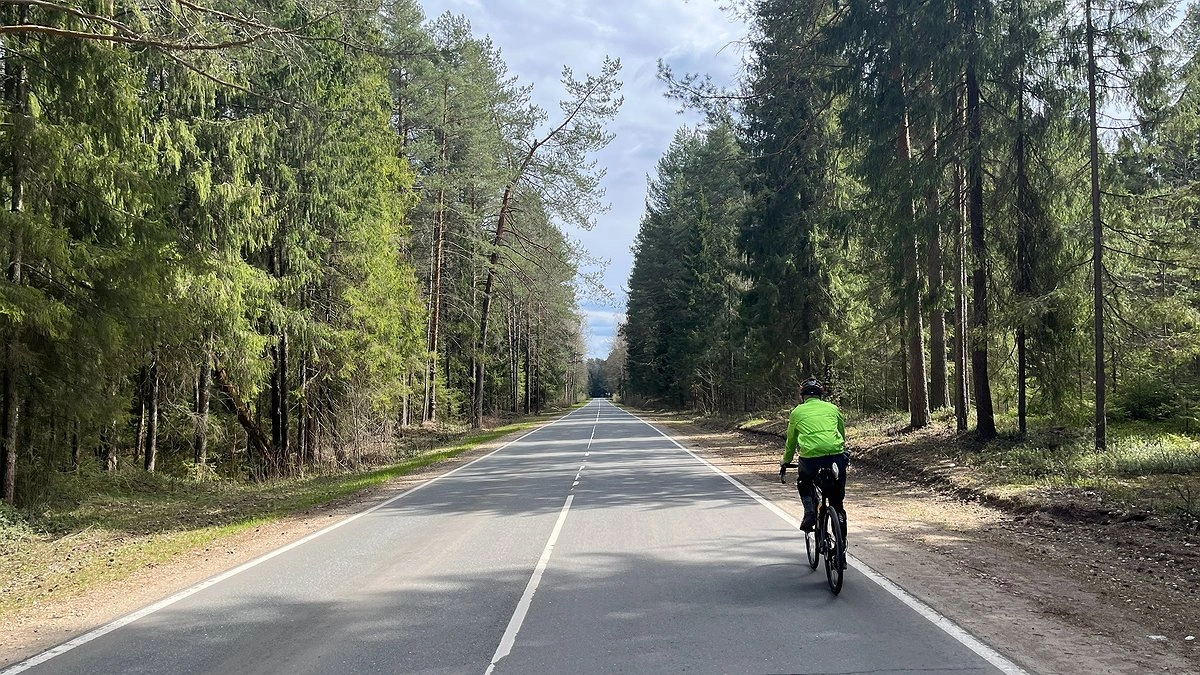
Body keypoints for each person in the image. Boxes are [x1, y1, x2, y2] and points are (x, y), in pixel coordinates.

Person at [779, 377, 847, 533]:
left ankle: (809, 512)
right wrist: (841, 449)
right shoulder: (833, 408)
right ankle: (841, 544)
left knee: (804, 482)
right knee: (837, 503)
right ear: (820, 395)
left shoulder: (797, 412)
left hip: (810, 458)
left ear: (803, 396)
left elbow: (791, 441)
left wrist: (786, 461)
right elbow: (841, 433)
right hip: (835, 455)